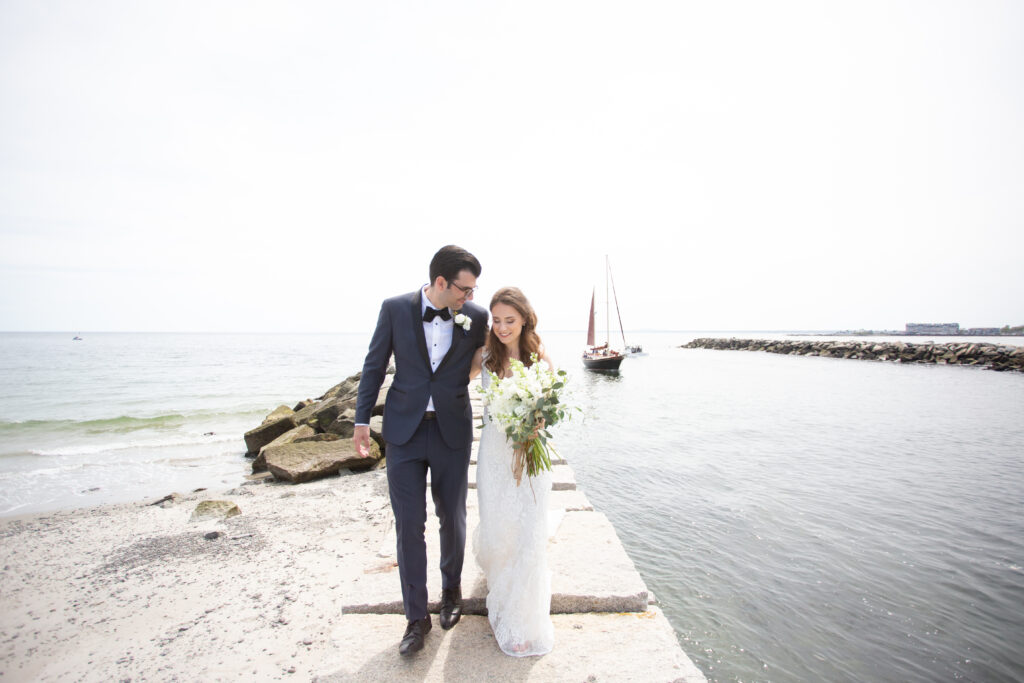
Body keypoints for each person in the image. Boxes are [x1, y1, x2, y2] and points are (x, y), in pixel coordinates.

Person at [352, 245, 489, 656]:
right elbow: (375, 365)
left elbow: (498, 354)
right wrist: (361, 420)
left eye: (474, 289)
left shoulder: (477, 317)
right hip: (403, 434)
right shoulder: (394, 309)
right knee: (408, 525)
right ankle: (416, 618)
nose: (470, 297)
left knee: (453, 516)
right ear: (441, 283)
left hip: (452, 430)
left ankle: (451, 593)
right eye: (464, 289)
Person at [470, 286, 556, 657]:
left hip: (527, 455)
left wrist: (535, 426)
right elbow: (451, 383)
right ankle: (499, 585)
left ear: (524, 319)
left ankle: (521, 617)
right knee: (498, 524)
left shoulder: (540, 359)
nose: (503, 327)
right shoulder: (485, 356)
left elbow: (549, 408)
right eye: (497, 321)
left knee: (527, 531)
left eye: (510, 320)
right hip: (492, 455)